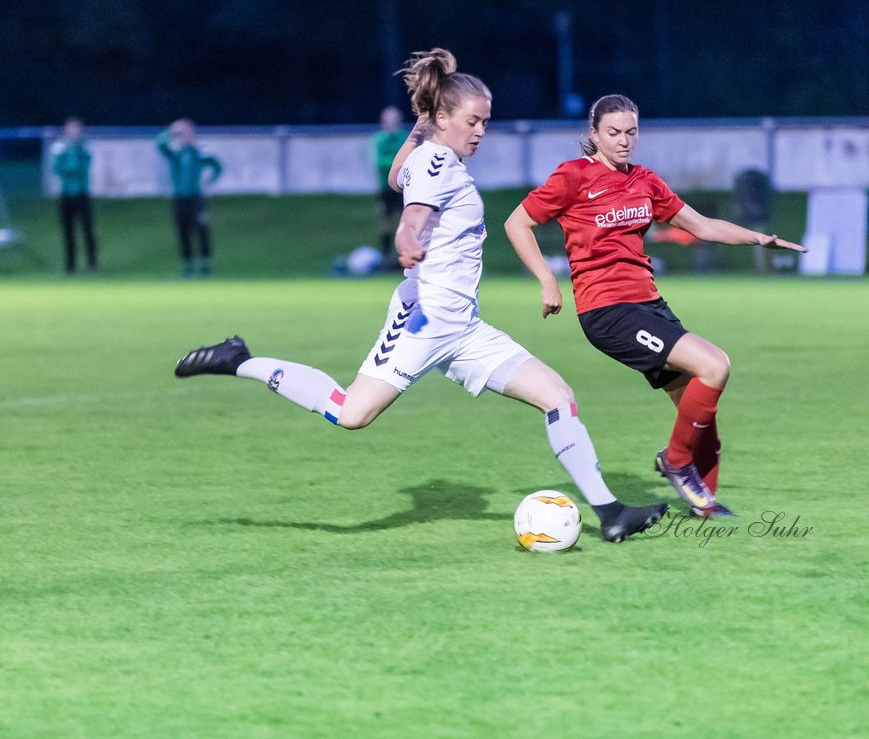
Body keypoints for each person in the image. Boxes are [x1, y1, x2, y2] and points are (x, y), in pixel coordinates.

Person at [175, 50, 668, 544]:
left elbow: (396, 178)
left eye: (485, 122)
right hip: (423, 320)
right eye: (473, 121)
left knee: (558, 396)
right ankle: (241, 360)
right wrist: (407, 236)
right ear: (445, 118)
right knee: (352, 414)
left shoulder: (432, 155)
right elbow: (413, 209)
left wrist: (422, 126)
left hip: (464, 327)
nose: (480, 131)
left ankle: (610, 512)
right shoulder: (436, 162)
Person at [504, 94, 806, 518]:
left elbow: (701, 226)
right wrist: (546, 281)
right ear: (594, 134)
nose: (624, 140)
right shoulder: (573, 177)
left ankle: (705, 508)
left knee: (699, 418)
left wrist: (759, 237)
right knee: (715, 365)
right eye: (613, 132)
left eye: (631, 132)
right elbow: (516, 222)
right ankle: (675, 461)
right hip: (608, 311)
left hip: (650, 306)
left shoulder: (645, 181)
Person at [156, 118, 223, 276]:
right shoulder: (176, 154)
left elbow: (216, 164)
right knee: (182, 231)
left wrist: (210, 180)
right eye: (181, 133)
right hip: (179, 199)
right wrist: (171, 131)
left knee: (201, 230)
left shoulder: (198, 152)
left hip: (196, 199)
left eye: (186, 132)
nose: (183, 135)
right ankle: (187, 264)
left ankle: (206, 264)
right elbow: (159, 144)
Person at [49, 117, 98, 273]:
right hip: (66, 194)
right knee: (68, 231)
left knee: (88, 230)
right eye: (71, 128)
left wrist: (72, 154)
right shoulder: (60, 146)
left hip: (82, 194)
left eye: (77, 128)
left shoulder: (83, 145)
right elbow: (57, 167)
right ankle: (70, 266)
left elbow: (82, 166)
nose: (74, 131)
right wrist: (69, 158)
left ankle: (92, 264)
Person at [370, 106, 409, 264]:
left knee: (405, 223)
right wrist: (397, 161)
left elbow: (409, 158)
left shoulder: (405, 138)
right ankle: (386, 258)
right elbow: (380, 162)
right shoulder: (380, 139)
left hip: (404, 188)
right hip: (386, 188)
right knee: (386, 223)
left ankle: (404, 258)